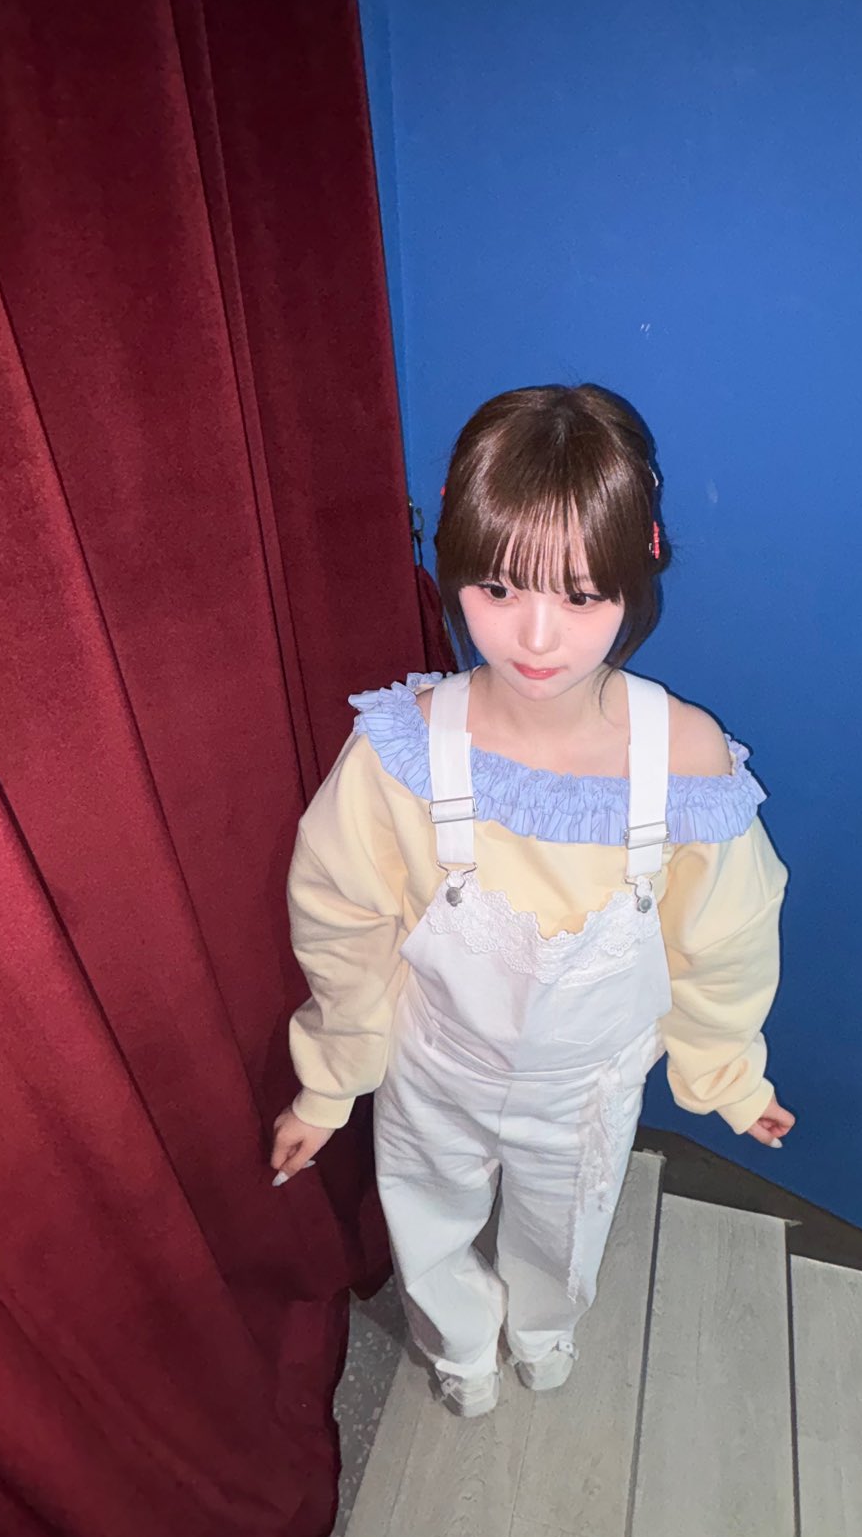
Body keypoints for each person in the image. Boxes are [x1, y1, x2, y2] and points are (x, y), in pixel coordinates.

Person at [270, 383, 793, 1418]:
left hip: (586, 1086)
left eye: (582, 595)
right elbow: (341, 919)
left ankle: (544, 1326)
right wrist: (328, 1084)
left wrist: (728, 1071)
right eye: (499, 588)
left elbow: (723, 939)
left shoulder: (685, 759)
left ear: (638, 572)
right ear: (456, 565)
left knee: (565, 1227)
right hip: (434, 1063)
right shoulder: (409, 746)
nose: (537, 637)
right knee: (425, 1210)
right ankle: (457, 1341)